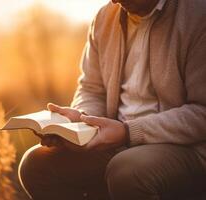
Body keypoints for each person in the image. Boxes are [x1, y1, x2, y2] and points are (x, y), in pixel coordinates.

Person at [19, 0, 206, 199]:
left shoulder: (197, 16)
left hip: (185, 148)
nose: (115, 1)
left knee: (126, 171)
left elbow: (202, 111)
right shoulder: (104, 17)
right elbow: (92, 89)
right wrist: (80, 121)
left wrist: (127, 132)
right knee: (36, 163)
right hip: (115, 141)